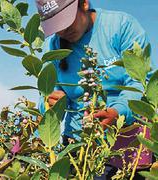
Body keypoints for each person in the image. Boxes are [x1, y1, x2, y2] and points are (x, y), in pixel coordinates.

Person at [35, 0, 156, 179]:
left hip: (126, 140)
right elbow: (47, 95)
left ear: (84, 3)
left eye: (66, 21)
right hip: (78, 144)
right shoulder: (52, 46)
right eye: (56, 25)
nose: (62, 31)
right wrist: (51, 103)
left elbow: (141, 82)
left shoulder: (121, 26)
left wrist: (118, 112)